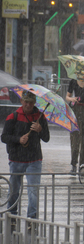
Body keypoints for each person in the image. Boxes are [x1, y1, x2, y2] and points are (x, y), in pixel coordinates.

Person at [1, 91, 50, 224]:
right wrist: (18, 139)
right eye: (25, 102)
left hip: (34, 160)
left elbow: (46, 138)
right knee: (14, 190)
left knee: (33, 190)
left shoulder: (40, 117)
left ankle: (31, 219)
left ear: (34, 103)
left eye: (30, 102)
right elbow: (4, 137)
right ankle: (12, 215)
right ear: (22, 101)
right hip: (16, 160)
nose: (28, 105)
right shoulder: (13, 116)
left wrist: (40, 130)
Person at [66, 79, 84, 174]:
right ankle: (73, 164)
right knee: (75, 138)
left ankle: (82, 164)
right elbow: (67, 97)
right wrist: (72, 99)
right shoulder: (73, 81)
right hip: (76, 110)